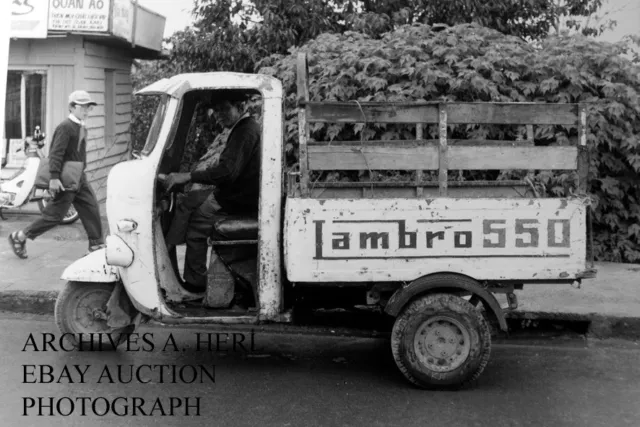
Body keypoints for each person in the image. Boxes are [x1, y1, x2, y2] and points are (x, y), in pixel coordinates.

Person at [164, 91, 261, 293]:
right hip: (234, 193)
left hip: (234, 199)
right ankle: (168, 251)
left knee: (196, 225)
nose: (219, 115)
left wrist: (189, 176)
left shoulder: (245, 131)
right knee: (187, 201)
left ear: (241, 106)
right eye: (216, 111)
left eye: (224, 109)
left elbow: (226, 172)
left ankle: (195, 282)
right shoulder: (243, 128)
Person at [8, 90, 105, 258]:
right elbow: (56, 153)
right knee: (54, 216)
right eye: (83, 107)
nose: (87, 111)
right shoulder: (66, 127)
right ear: (72, 107)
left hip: (78, 177)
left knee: (91, 208)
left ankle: (96, 245)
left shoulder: (79, 126)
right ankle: (20, 236)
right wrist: (54, 178)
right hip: (65, 179)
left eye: (89, 108)